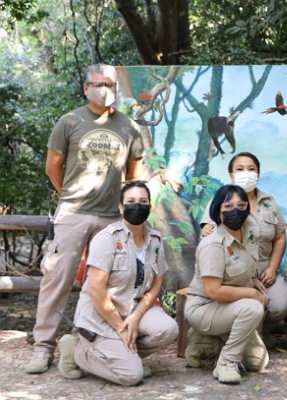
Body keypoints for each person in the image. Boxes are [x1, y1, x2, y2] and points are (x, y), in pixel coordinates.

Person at [27, 63, 144, 374]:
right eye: (98, 84)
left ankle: (90, 346)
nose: (105, 89)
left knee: (110, 284)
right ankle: (43, 348)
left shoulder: (129, 128)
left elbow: (134, 177)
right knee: (57, 279)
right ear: (86, 88)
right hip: (73, 214)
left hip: (112, 218)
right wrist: (71, 197)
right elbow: (53, 168)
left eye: (110, 84)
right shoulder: (69, 121)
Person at [56, 181, 178, 385]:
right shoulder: (107, 239)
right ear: (121, 207)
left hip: (133, 308)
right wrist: (121, 328)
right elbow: (95, 289)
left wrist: (137, 315)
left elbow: (157, 283)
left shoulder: (155, 240)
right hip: (101, 315)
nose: (137, 206)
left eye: (143, 201)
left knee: (168, 329)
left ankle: (126, 357)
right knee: (131, 376)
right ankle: (77, 352)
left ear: (149, 207)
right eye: (131, 201)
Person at [185, 185, 268, 384]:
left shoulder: (250, 231)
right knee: (253, 307)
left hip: (230, 306)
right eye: (228, 206)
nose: (235, 211)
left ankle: (206, 342)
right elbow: (213, 290)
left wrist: (251, 280)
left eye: (241, 205)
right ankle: (227, 362)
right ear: (218, 211)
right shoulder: (213, 244)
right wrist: (251, 293)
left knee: (258, 361)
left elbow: (242, 264)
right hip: (205, 307)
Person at [200, 152, 287, 342]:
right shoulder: (219, 200)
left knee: (280, 308)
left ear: (258, 173)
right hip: (234, 273)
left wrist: (272, 269)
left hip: (264, 270)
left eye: (251, 169)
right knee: (249, 303)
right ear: (231, 175)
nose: (246, 173)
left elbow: (280, 236)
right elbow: (209, 233)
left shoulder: (269, 202)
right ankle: (239, 337)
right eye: (240, 169)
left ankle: (258, 331)